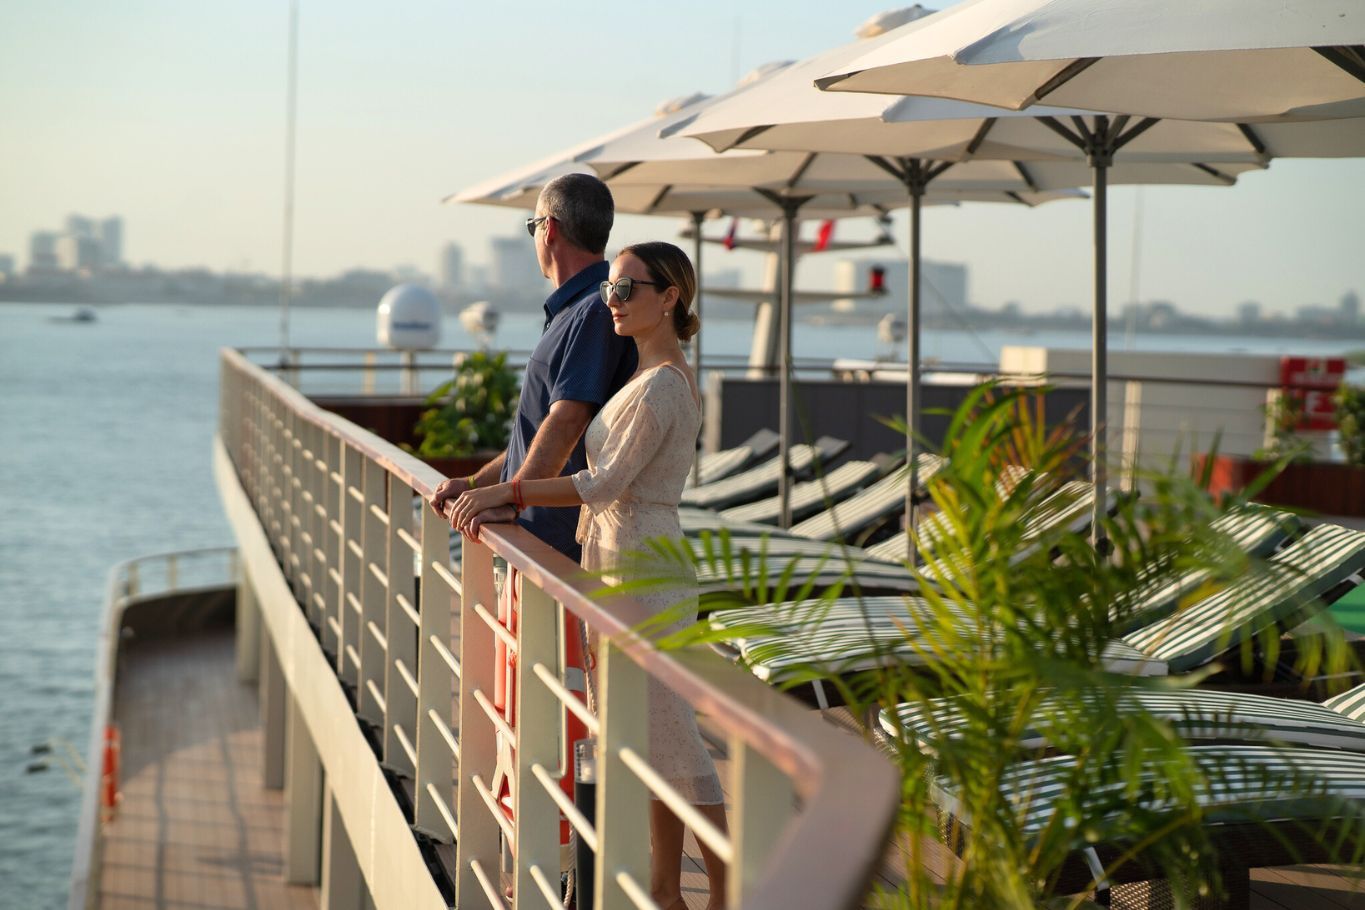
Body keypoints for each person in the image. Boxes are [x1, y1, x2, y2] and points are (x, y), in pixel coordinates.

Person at [441, 242, 727, 910]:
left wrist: (508, 493)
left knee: (674, 740)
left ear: (670, 298)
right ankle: (665, 890)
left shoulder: (663, 384)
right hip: (616, 560)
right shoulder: (645, 375)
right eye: (608, 289)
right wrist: (499, 486)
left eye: (627, 290)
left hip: (643, 569)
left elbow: (603, 483)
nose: (612, 302)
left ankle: (724, 892)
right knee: (645, 738)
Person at [430, 173, 636, 561]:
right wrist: (476, 483)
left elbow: (568, 421)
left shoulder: (593, 311)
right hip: (535, 533)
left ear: (549, 229)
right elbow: (534, 433)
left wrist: (512, 500)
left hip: (555, 545)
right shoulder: (574, 310)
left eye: (532, 226)